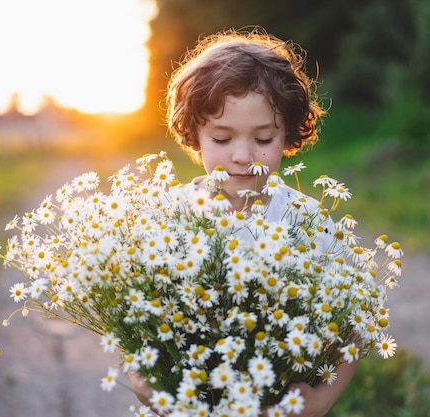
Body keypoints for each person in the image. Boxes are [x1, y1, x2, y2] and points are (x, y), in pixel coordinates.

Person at [128, 26, 358, 417]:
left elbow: (350, 326)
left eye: (263, 139)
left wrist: (319, 401)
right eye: (221, 139)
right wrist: (143, 379)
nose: (242, 156)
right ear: (194, 136)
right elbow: (130, 319)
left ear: (287, 135)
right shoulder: (168, 216)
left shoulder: (306, 220)